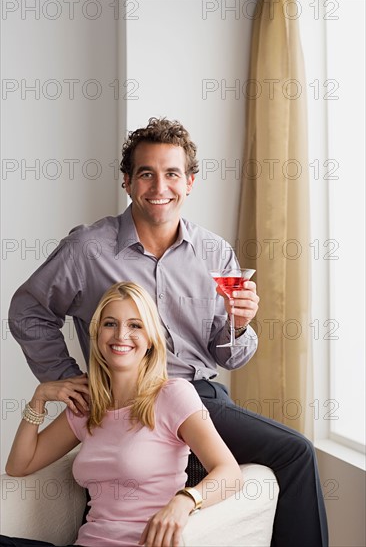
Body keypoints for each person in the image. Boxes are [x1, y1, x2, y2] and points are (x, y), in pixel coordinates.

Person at [9, 117, 328, 547]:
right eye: (146, 173)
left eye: (172, 173)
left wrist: (238, 325)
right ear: (127, 181)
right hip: (119, 396)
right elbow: (28, 310)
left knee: (296, 452)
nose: (160, 186)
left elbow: (230, 355)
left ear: (190, 181)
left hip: (194, 395)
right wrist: (70, 381)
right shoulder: (87, 250)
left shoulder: (214, 252)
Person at [2, 282, 243, 547]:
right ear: (97, 334)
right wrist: (39, 399)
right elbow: (19, 466)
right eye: (110, 324)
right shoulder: (89, 404)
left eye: (135, 325)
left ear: (150, 338)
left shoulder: (173, 395)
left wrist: (185, 501)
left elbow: (230, 473)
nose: (121, 335)